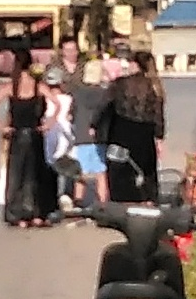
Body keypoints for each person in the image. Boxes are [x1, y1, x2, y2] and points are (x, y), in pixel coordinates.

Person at [0, 50, 60, 228]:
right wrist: (49, 124)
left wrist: (2, 127)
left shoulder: (12, 87)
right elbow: (57, 103)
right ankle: (37, 213)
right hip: (35, 134)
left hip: (17, 135)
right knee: (35, 175)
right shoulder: (38, 86)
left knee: (17, 175)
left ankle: (17, 215)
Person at [90, 51, 165, 203]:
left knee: (120, 169)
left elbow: (104, 105)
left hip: (122, 131)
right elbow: (158, 115)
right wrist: (159, 136)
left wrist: (94, 125)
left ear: (135, 64)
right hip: (145, 134)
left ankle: (122, 203)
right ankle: (146, 201)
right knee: (144, 170)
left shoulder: (120, 83)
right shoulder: (154, 86)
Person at [71, 60, 109, 207]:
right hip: (100, 137)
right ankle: (103, 203)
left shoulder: (78, 93)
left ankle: (78, 201)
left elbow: (72, 113)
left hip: (81, 136)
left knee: (81, 172)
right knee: (101, 173)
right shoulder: (105, 94)